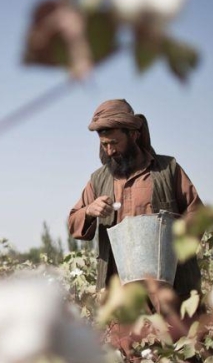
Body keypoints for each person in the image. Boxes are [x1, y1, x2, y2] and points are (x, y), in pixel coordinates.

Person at [68, 99, 204, 307]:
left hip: (170, 295)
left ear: (133, 134)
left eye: (114, 143)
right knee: (124, 340)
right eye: (104, 145)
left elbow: (197, 213)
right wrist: (89, 210)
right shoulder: (98, 180)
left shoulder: (167, 170)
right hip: (122, 302)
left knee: (176, 338)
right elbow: (73, 223)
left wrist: (175, 243)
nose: (110, 151)